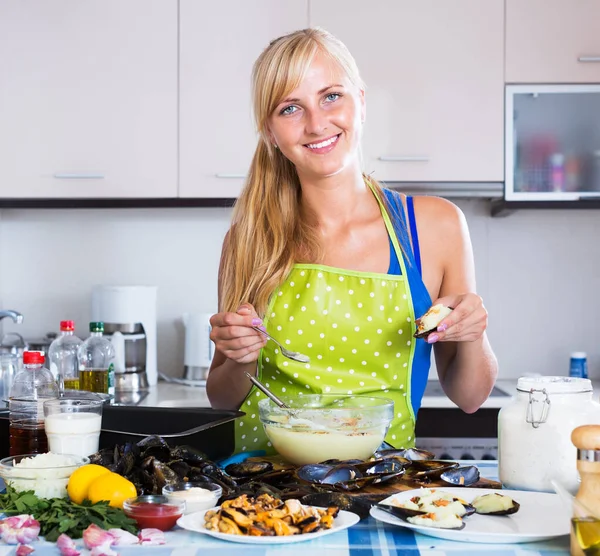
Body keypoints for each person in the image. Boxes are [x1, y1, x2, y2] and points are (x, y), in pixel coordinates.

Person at [207, 28, 498, 454]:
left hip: (381, 488)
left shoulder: (434, 227)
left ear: (361, 101)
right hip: (262, 494)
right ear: (269, 131)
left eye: (331, 96)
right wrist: (240, 358)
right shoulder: (248, 239)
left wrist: (472, 331)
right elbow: (221, 396)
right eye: (290, 108)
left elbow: (470, 397)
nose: (316, 123)